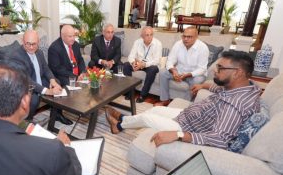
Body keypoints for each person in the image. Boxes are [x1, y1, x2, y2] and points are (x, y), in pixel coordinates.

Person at [105, 51, 261, 150]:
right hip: (189, 115)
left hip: (188, 127)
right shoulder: (243, 86)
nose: (214, 70)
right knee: (154, 110)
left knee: (147, 117)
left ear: (237, 73)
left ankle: (119, 125)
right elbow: (218, 89)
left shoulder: (236, 104)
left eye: (220, 68)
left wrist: (179, 135)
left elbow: (219, 139)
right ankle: (125, 119)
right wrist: (203, 85)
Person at [8, 29, 62, 119]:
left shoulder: (39, 52)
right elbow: (26, 80)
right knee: (33, 99)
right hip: (23, 86)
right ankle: (27, 122)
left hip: (37, 81)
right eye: (28, 44)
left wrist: (52, 81)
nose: (31, 47)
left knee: (57, 82)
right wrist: (47, 91)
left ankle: (56, 115)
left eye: (34, 44)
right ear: (22, 41)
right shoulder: (16, 56)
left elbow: (46, 68)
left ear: (38, 42)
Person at [156, 26, 209, 106]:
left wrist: (188, 74)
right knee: (163, 72)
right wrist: (174, 71)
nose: (185, 39)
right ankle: (165, 100)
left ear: (196, 37)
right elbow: (170, 61)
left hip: (195, 75)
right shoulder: (178, 44)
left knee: (197, 81)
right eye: (184, 36)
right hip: (179, 72)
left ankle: (184, 105)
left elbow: (202, 68)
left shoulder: (203, 48)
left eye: (189, 37)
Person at [48, 24, 87, 125]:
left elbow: (80, 60)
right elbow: (57, 69)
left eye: (74, 35)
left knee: (89, 83)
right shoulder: (54, 48)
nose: (73, 38)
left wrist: (82, 72)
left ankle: (82, 107)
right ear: (62, 36)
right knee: (70, 85)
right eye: (70, 36)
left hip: (75, 73)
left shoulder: (76, 45)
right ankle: (57, 114)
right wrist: (75, 77)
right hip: (61, 75)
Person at [123, 26, 162, 103]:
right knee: (126, 65)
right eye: (147, 35)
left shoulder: (158, 44)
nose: (149, 37)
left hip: (150, 65)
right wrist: (133, 63)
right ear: (142, 36)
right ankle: (130, 92)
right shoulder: (137, 42)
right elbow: (131, 56)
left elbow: (157, 61)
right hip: (138, 63)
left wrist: (143, 64)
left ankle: (143, 95)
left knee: (153, 69)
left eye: (151, 34)